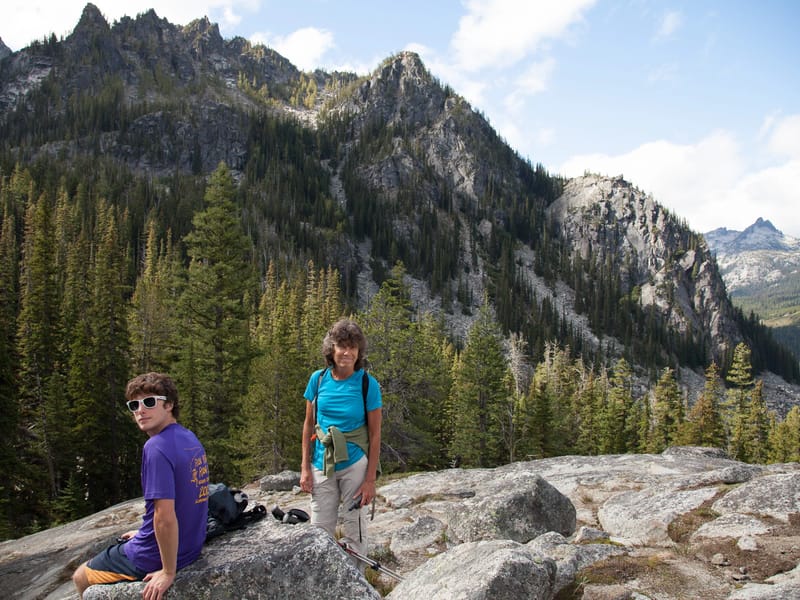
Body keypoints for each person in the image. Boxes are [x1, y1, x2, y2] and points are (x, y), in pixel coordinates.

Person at [72, 372, 209, 600]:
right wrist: (145, 532)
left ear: (169, 405)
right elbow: (192, 497)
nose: (140, 410)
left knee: (80, 576)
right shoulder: (189, 438)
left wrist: (168, 572)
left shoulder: (156, 447)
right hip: (191, 547)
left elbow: (163, 517)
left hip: (153, 556)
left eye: (149, 402)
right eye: (134, 404)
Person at [300, 318, 382, 563]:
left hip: (355, 463)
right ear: (331, 349)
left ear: (359, 352)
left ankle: (356, 582)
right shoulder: (317, 379)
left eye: (353, 347)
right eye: (341, 346)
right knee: (319, 529)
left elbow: (376, 434)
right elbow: (307, 425)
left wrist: (370, 480)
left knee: (354, 528)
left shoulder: (368, 384)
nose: (347, 352)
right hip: (321, 463)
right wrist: (304, 468)